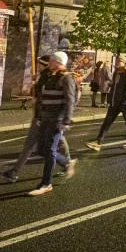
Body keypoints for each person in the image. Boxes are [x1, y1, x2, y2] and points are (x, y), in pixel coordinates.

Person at [0, 55, 73, 183]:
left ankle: (23, 175)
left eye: (40, 64)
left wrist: (65, 120)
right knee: (44, 147)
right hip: (42, 116)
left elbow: (67, 99)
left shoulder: (54, 77)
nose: (38, 67)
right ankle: (66, 163)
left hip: (47, 117)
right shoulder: (46, 76)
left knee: (38, 146)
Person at [29, 51, 78, 196]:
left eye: (52, 61)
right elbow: (43, 97)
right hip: (45, 118)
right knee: (41, 150)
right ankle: (67, 163)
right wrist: (39, 116)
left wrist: (66, 120)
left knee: (50, 150)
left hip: (57, 119)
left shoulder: (66, 78)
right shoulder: (50, 76)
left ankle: (46, 183)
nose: (49, 63)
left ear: (59, 62)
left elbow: (70, 100)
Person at [86, 57, 126, 151]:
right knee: (107, 122)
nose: (116, 63)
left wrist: (124, 98)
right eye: (116, 61)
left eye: (119, 62)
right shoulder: (116, 72)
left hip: (124, 103)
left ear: (123, 62)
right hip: (114, 102)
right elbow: (114, 86)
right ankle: (98, 143)